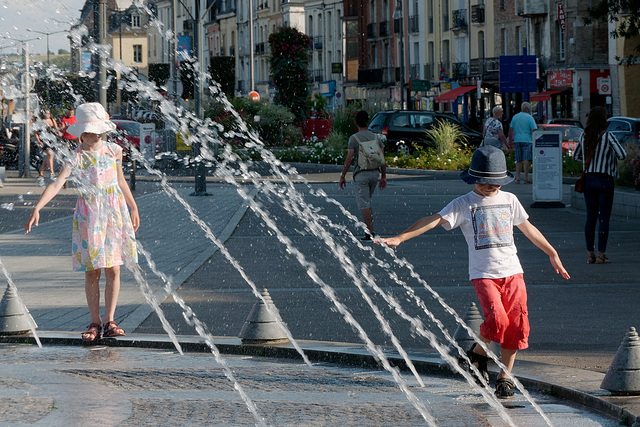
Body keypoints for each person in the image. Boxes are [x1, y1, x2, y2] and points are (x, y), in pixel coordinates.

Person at [377, 145, 570, 398]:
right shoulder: (464, 204)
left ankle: (504, 377)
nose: (490, 187)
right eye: (484, 182)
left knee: (516, 326)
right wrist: (401, 238)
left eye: (495, 183)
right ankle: (478, 354)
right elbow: (433, 219)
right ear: (473, 179)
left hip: (513, 271)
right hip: (484, 274)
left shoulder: (510, 200)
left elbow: (528, 228)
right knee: (497, 322)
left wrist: (552, 253)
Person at [25, 102, 140, 342]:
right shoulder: (77, 156)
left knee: (114, 267)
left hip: (113, 212)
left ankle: (110, 320)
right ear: (81, 133)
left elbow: (120, 181)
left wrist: (133, 205)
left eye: (94, 131)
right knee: (92, 270)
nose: (90, 135)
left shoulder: (114, 151)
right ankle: (94, 322)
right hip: (89, 215)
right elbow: (58, 182)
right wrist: (38, 206)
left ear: (102, 130)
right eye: (86, 131)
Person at [572, 106, 626, 264]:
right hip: (605, 180)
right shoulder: (607, 136)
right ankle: (601, 254)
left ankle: (590, 254)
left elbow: (576, 156)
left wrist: (590, 160)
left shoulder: (584, 135)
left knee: (590, 217)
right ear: (604, 120)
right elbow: (622, 155)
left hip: (589, 180)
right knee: (604, 218)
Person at [339, 110, 387, 240]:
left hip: (361, 175)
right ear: (368, 121)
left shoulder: (354, 138)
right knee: (367, 202)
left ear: (356, 122)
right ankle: (369, 229)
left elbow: (349, 159)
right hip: (374, 174)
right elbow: (382, 158)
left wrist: (343, 175)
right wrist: (383, 176)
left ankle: (370, 232)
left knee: (365, 204)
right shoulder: (376, 137)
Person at [508, 102, 537, 184]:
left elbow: (511, 130)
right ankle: (526, 177)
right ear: (528, 109)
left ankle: (517, 177)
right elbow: (534, 129)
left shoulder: (515, 117)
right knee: (526, 159)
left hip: (517, 140)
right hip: (527, 140)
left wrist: (510, 141)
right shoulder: (530, 118)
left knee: (518, 160)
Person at [35, 109, 61, 178]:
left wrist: (59, 132)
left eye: (49, 113)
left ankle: (41, 169)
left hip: (52, 140)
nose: (47, 115)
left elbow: (56, 129)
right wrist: (38, 140)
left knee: (49, 157)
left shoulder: (52, 120)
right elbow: (35, 132)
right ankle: (52, 172)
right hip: (45, 140)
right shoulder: (41, 122)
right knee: (50, 154)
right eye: (46, 113)